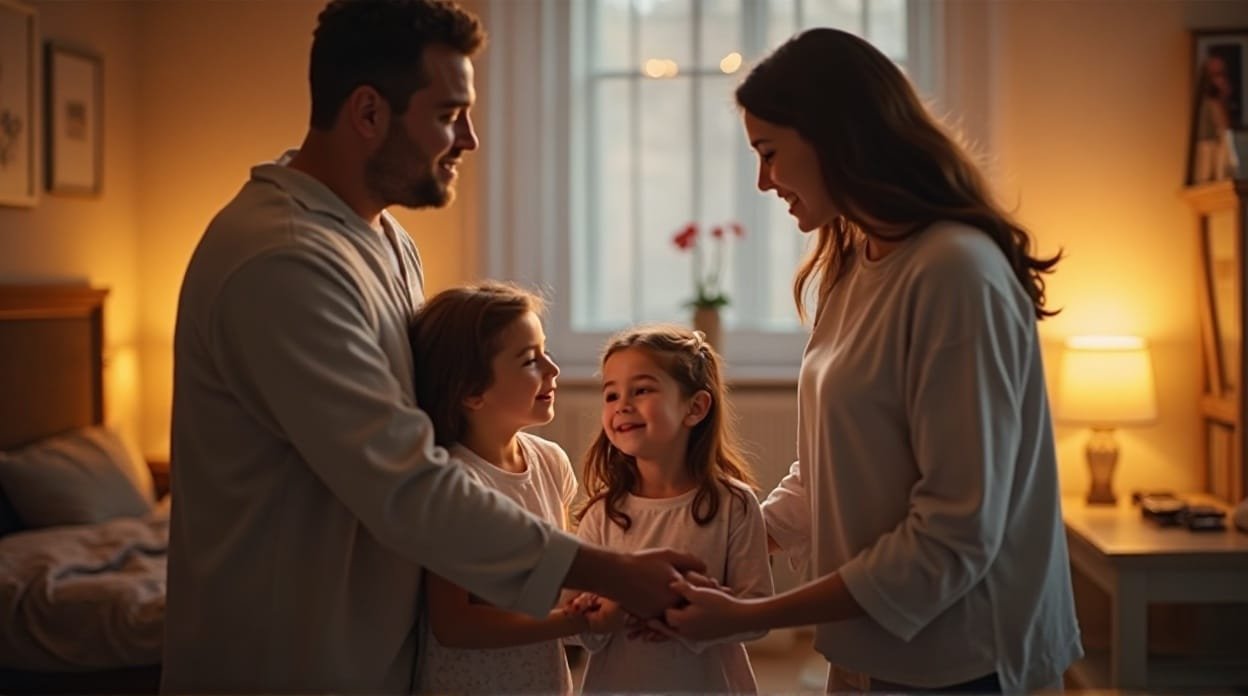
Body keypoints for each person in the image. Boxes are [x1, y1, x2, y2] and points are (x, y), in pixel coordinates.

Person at [163, 1, 701, 692]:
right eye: (450, 114)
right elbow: (404, 481)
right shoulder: (281, 262)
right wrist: (609, 572)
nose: (470, 138)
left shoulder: (386, 242)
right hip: (289, 656)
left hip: (376, 645)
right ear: (368, 113)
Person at [664, 28, 1083, 693]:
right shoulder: (852, 260)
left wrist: (757, 613)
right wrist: (718, 548)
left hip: (963, 658)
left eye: (770, 153)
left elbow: (955, 531)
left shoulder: (954, 274)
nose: (764, 181)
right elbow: (826, 473)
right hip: (873, 647)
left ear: (835, 140)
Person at [571, 325, 773, 694]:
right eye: (611, 394)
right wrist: (605, 615)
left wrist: (691, 616)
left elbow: (758, 615)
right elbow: (579, 630)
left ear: (695, 408)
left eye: (642, 390)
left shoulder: (736, 505)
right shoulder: (601, 514)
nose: (622, 406)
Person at [407, 282, 583, 695]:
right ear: (471, 391)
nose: (553, 370)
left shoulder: (550, 462)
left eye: (546, 352)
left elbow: (551, 583)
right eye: (529, 361)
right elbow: (454, 625)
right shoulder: (454, 484)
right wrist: (572, 621)